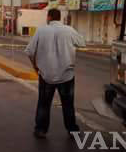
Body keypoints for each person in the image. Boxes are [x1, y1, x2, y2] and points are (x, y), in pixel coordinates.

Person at [25, 9, 86, 139]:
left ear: (49, 17)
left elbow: (30, 52)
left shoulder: (41, 30)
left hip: (46, 75)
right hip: (66, 76)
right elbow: (82, 43)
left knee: (44, 104)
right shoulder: (69, 30)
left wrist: (35, 66)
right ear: (59, 18)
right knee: (68, 105)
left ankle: (41, 130)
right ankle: (72, 130)